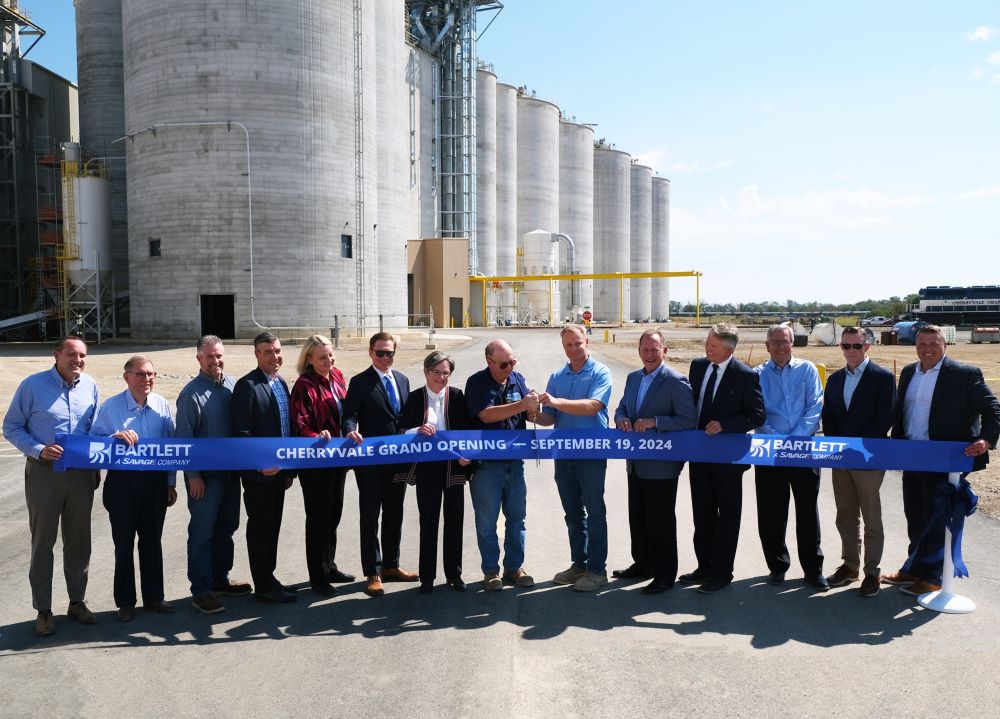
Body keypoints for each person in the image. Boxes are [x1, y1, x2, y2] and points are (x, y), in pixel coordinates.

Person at [883, 325, 1000, 595]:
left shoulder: (964, 374)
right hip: (912, 456)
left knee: (936, 520)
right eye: (921, 343)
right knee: (915, 516)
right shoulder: (910, 371)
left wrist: (987, 440)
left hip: (946, 460)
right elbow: (904, 411)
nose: (927, 349)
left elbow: (992, 409)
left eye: (933, 343)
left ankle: (934, 577)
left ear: (944, 344)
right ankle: (913, 569)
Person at [3, 336, 101, 636]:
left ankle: (76, 601)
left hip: (81, 474)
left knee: (79, 541)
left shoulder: (90, 387)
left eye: (82, 355)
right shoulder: (33, 386)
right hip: (45, 473)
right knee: (43, 542)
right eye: (71, 354)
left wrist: (97, 466)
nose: (78, 360)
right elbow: (11, 426)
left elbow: (95, 430)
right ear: (56, 355)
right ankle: (43, 610)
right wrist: (36, 448)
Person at [91, 355, 177, 621]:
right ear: (126, 376)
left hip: (154, 483)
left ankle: (154, 597)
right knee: (124, 543)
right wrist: (112, 439)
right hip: (122, 485)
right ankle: (126, 601)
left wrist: (170, 483)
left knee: (152, 542)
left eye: (151, 374)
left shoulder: (162, 405)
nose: (146, 379)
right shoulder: (111, 407)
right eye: (140, 374)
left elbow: (171, 447)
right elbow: (92, 443)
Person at [680, 323, 764, 594]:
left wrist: (725, 424)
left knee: (727, 517)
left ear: (728, 349)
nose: (707, 349)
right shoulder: (698, 366)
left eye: (713, 346)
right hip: (699, 453)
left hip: (728, 459)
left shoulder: (745, 375)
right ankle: (704, 566)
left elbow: (756, 415)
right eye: (707, 343)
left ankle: (721, 572)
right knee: (702, 513)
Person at [612, 329, 697, 594]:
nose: (649, 354)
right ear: (639, 351)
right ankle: (643, 564)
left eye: (654, 349)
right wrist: (620, 418)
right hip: (636, 462)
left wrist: (655, 422)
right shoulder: (633, 378)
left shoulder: (676, 381)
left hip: (662, 465)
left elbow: (688, 420)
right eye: (645, 349)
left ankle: (664, 574)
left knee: (660, 521)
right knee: (638, 518)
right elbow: (622, 407)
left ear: (664, 351)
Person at [175, 335, 251, 615]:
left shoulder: (232, 386)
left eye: (219, 356)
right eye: (209, 357)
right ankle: (202, 590)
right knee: (202, 533)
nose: (215, 361)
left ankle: (221, 578)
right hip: (205, 478)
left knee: (227, 528)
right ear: (199, 359)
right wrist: (192, 475)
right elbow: (184, 441)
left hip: (231, 475)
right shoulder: (191, 394)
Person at [535, 324, 614, 592]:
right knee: (572, 514)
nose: (573, 349)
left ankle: (597, 570)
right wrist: (527, 411)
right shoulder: (558, 375)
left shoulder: (600, 372)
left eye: (577, 343)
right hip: (564, 454)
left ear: (587, 342)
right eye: (568, 345)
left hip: (591, 453)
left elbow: (593, 407)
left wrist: (556, 402)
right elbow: (548, 418)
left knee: (594, 512)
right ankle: (579, 564)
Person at [821, 327, 895, 598]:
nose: (851, 351)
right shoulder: (836, 378)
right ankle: (850, 566)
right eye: (845, 346)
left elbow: (885, 417)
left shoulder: (883, 378)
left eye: (856, 345)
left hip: (868, 457)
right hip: (840, 458)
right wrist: (838, 446)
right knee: (846, 515)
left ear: (867, 347)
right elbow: (828, 415)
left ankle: (871, 573)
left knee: (871, 517)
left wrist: (857, 447)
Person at [342, 332, 417, 597]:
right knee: (370, 516)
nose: (386, 358)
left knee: (395, 513)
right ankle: (372, 572)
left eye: (390, 353)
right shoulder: (360, 382)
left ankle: (391, 566)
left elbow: (406, 418)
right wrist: (350, 431)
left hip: (399, 461)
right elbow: (349, 415)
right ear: (370, 352)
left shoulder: (403, 380)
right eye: (380, 353)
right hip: (371, 462)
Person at [754, 324, 828, 590]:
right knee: (771, 512)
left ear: (792, 344)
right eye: (775, 342)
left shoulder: (807, 370)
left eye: (785, 342)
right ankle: (777, 565)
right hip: (769, 453)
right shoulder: (757, 374)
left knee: (807, 511)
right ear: (767, 346)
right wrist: (776, 440)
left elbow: (815, 405)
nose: (781, 346)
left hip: (804, 450)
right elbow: (757, 412)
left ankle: (813, 569)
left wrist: (795, 439)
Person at [464, 339, 538, 590]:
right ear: (490, 362)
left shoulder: (518, 378)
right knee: (487, 522)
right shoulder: (477, 382)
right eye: (504, 364)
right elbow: (486, 414)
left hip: (515, 462)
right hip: (487, 465)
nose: (510, 367)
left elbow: (528, 411)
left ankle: (514, 568)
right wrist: (522, 405)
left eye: (513, 361)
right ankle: (491, 571)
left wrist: (532, 411)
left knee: (517, 518)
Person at [399, 352, 474, 594]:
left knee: (455, 520)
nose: (441, 378)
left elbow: (467, 431)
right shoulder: (414, 398)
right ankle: (427, 576)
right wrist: (415, 430)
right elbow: (400, 431)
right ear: (426, 372)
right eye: (436, 372)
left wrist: (467, 455)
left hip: (454, 466)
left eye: (445, 373)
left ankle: (454, 574)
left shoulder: (457, 396)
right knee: (428, 521)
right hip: (427, 468)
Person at [231, 332, 297, 604]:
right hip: (260, 476)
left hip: (280, 473)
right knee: (260, 529)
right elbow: (241, 432)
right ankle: (264, 585)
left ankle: (269, 578)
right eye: (268, 352)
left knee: (273, 527)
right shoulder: (247, 385)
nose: (275, 356)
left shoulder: (281, 383)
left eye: (278, 351)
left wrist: (289, 469)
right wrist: (259, 466)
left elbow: (288, 429)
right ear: (257, 354)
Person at [289, 334, 355, 598]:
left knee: (334, 515)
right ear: (308, 359)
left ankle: (329, 566)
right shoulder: (303, 385)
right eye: (322, 357)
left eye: (330, 355)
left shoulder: (337, 375)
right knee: (318, 518)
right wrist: (317, 437)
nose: (329, 360)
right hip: (316, 463)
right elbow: (299, 426)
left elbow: (346, 413)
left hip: (338, 459)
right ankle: (317, 576)